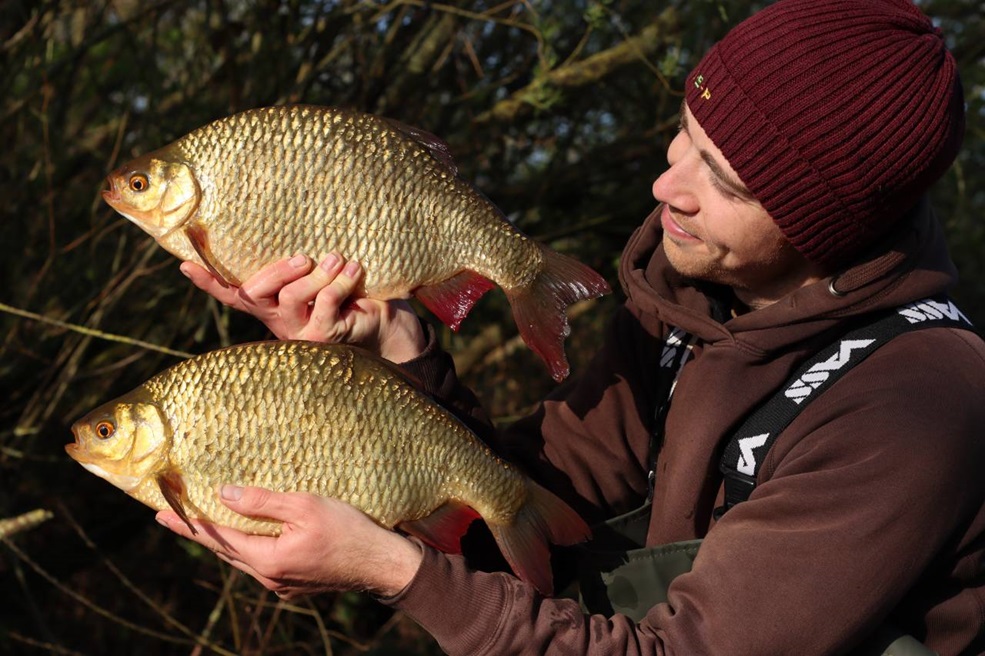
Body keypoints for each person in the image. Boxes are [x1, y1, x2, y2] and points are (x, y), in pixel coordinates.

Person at [155, 0, 985, 653]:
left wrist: (395, 571)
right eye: (684, 138)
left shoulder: (914, 406)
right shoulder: (690, 310)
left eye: (724, 181)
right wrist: (395, 348)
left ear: (826, 224)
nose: (668, 187)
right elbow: (524, 509)